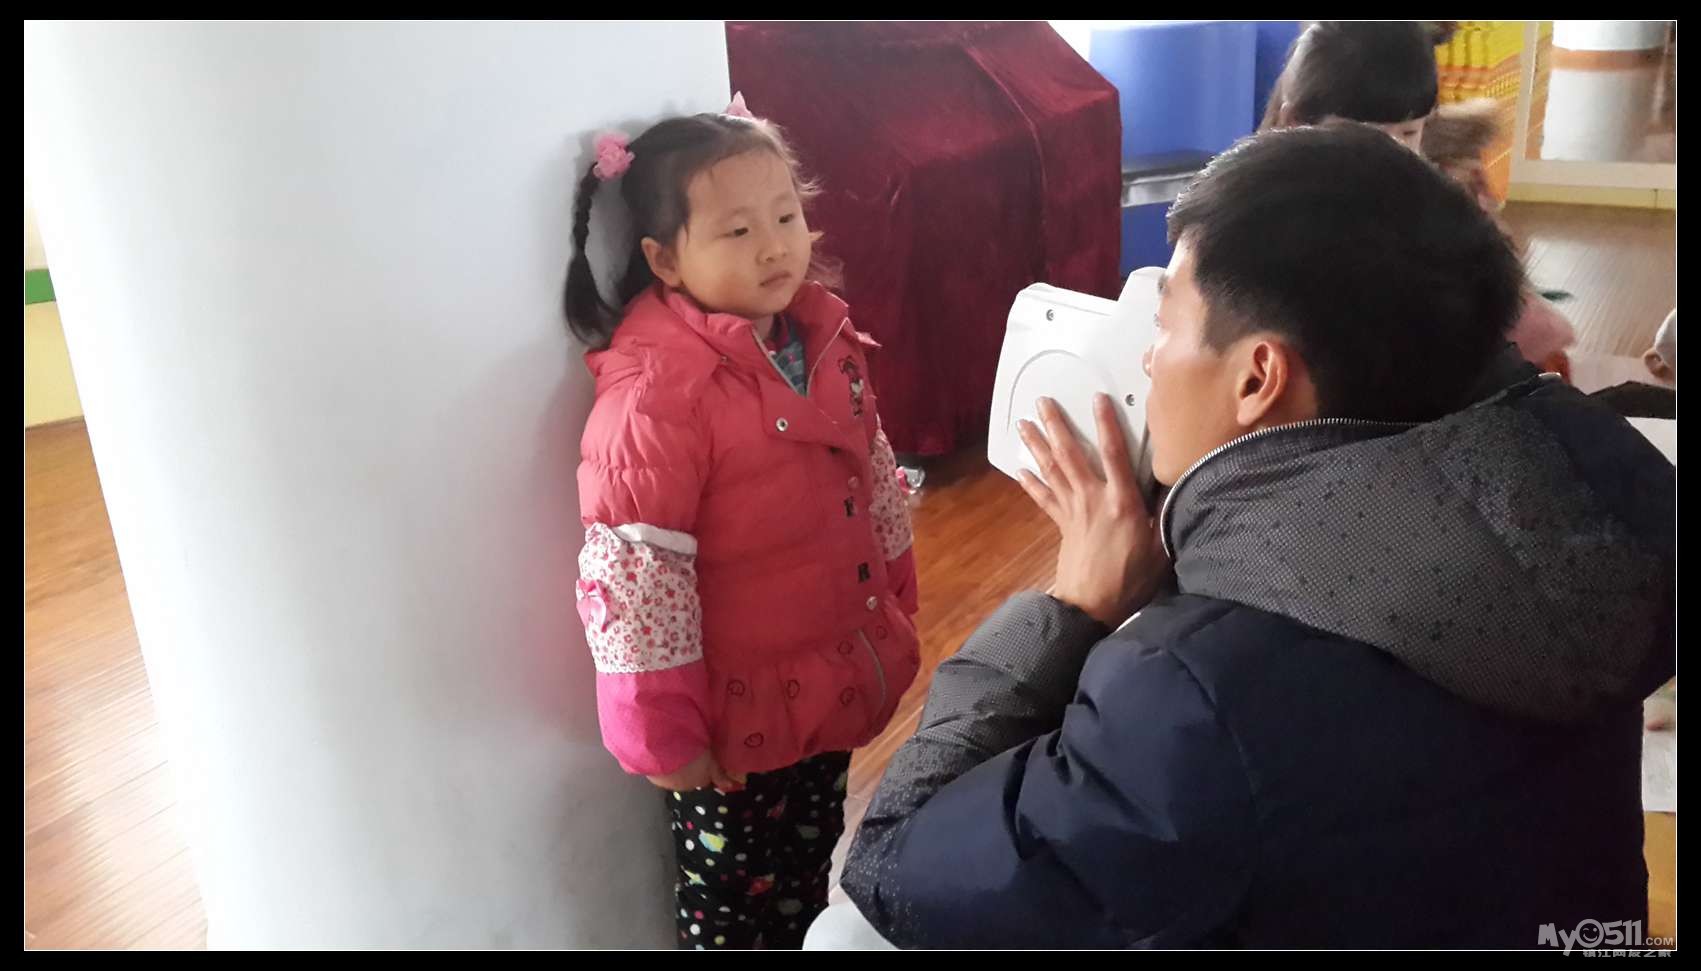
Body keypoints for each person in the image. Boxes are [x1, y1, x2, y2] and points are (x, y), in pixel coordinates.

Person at [834, 125, 1675, 948]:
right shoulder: (1586, 506)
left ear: (1258, 376)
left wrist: (1073, 608)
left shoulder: (1199, 687)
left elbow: (900, 864)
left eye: (1163, 324)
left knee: (841, 936)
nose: (1148, 360)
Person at [564, 95, 920, 949]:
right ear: (664, 258)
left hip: (829, 679)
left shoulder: (824, 337)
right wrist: (665, 739)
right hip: (732, 724)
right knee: (730, 902)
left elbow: (871, 479)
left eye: (786, 216)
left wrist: (894, 605)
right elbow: (637, 583)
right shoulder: (657, 397)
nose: (774, 246)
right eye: (736, 230)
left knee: (807, 860)